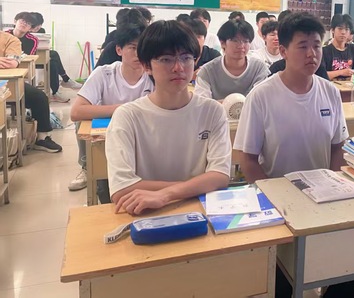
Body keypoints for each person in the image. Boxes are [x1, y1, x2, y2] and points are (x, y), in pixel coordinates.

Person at [234, 12, 354, 298]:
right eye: (303, 46)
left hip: (324, 199)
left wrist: (337, 187)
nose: (312, 54)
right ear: (283, 51)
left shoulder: (329, 92)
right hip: (278, 205)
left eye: (317, 45)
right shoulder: (261, 95)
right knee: (283, 281)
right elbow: (247, 159)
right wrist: (275, 199)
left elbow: (337, 147)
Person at [105, 20, 231, 215]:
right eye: (166, 59)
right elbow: (122, 189)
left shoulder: (212, 110)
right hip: (146, 213)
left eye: (186, 58)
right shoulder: (127, 116)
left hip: (201, 212)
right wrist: (197, 185)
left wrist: (165, 195)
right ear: (146, 65)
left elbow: (220, 176)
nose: (178, 67)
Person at [69, 25, 153, 196]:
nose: (139, 53)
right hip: (107, 138)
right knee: (106, 191)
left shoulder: (155, 75)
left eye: (143, 48)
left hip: (145, 139)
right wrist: (123, 109)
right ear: (119, 49)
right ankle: (87, 167)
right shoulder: (104, 74)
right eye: (132, 48)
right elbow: (76, 112)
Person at [0, 31, 62, 153]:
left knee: (39, 97)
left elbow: (11, 63)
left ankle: (42, 138)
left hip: (6, 82)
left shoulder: (10, 39)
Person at [195, 19, 269, 100]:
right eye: (235, 40)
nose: (241, 46)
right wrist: (231, 103)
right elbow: (202, 103)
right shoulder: (207, 71)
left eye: (246, 41)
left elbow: (262, 100)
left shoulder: (259, 68)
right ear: (222, 43)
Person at [29, 12, 82, 102]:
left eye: (40, 25)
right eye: (36, 26)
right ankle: (65, 79)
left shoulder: (41, 31)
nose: (38, 28)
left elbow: (43, 45)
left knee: (52, 63)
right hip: (30, 58)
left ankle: (55, 92)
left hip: (41, 57)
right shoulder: (23, 32)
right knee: (53, 54)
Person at [322, 14, 354, 80]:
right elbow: (321, 76)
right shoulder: (324, 51)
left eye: (346, 29)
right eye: (340, 29)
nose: (343, 32)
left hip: (350, 85)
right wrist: (341, 72)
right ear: (332, 30)